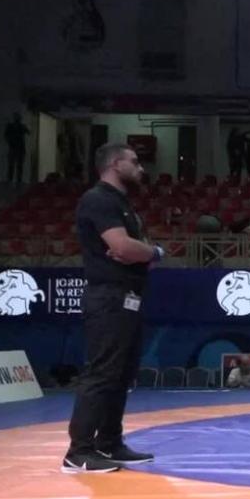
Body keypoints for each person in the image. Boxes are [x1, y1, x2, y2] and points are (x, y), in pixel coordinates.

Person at [63, 143, 163, 473]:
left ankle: (109, 443)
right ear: (115, 164)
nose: (141, 168)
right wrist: (151, 252)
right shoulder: (98, 199)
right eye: (134, 162)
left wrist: (142, 252)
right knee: (102, 372)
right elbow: (123, 247)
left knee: (121, 374)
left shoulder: (122, 204)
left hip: (129, 295)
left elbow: (134, 251)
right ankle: (78, 451)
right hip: (108, 297)